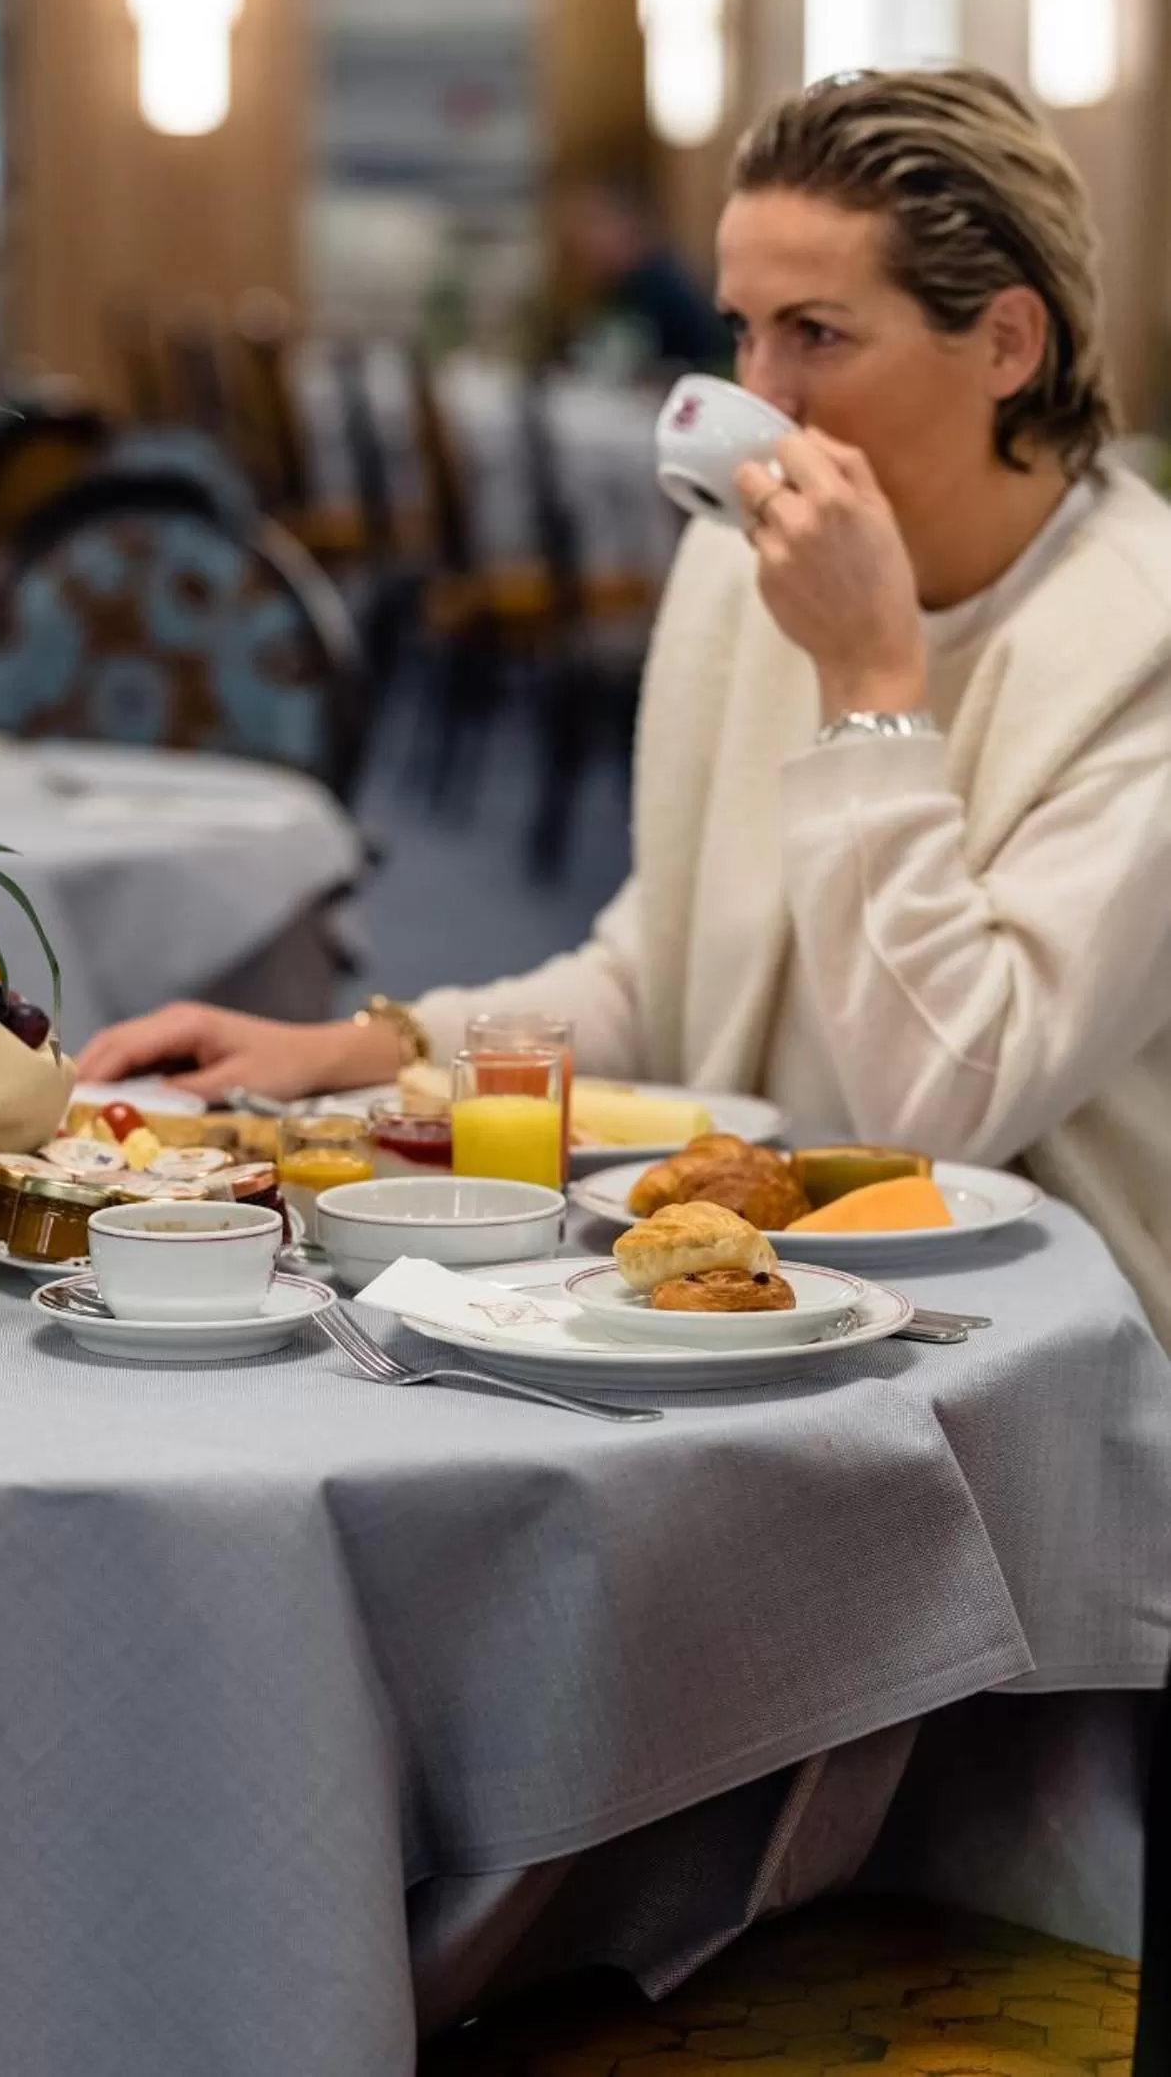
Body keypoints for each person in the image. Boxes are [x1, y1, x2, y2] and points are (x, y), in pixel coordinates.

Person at [78, 67, 1171, 1343]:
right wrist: (359, 1052)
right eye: (740, 331)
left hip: (1030, 1332)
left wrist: (871, 691)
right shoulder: (741, 570)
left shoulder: (1132, 644)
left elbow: (936, 1108)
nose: (762, 400)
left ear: (1005, 343)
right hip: (742, 1295)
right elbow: (660, 979)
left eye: (815, 334)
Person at [555, 170, 732, 378]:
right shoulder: (620, 285)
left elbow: (705, 351)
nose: (587, 253)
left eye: (591, 239)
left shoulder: (660, 279)